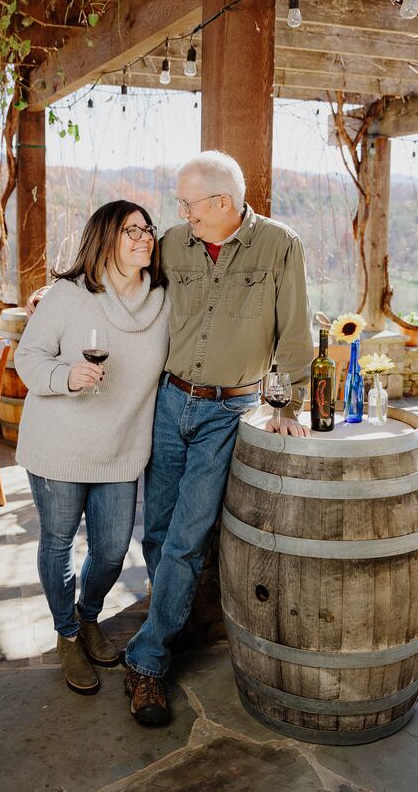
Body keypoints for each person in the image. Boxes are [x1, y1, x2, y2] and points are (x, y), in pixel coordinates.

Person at [123, 151, 313, 726]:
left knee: (187, 535)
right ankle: (170, 623)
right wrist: (59, 295)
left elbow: (295, 333)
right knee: (155, 529)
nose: (180, 213)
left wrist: (288, 403)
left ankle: (149, 661)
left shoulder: (279, 245)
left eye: (188, 204)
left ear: (223, 203)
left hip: (230, 410)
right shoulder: (176, 243)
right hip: (169, 400)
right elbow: (124, 281)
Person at [14, 200, 170, 696]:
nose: (144, 237)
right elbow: (29, 357)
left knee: (110, 551)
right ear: (105, 237)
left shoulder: (164, 300)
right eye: (131, 231)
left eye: (147, 229)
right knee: (58, 544)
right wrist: (65, 376)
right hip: (58, 445)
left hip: (121, 447)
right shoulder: (67, 295)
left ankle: (86, 616)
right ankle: (65, 635)